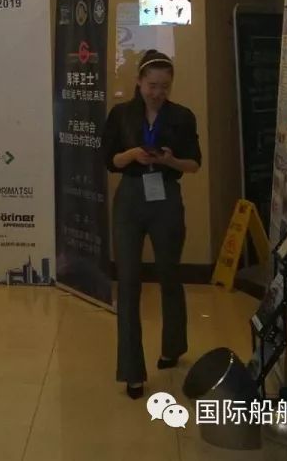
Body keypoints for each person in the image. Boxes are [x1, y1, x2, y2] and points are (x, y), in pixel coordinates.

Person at [102, 50, 201, 400]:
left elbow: (194, 164)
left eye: (164, 86)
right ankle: (132, 372)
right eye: (152, 85)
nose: (158, 92)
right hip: (130, 199)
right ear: (139, 82)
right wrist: (132, 154)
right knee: (128, 283)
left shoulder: (182, 116)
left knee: (169, 275)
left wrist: (171, 160)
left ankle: (172, 346)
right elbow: (110, 160)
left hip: (166, 199)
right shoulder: (121, 114)